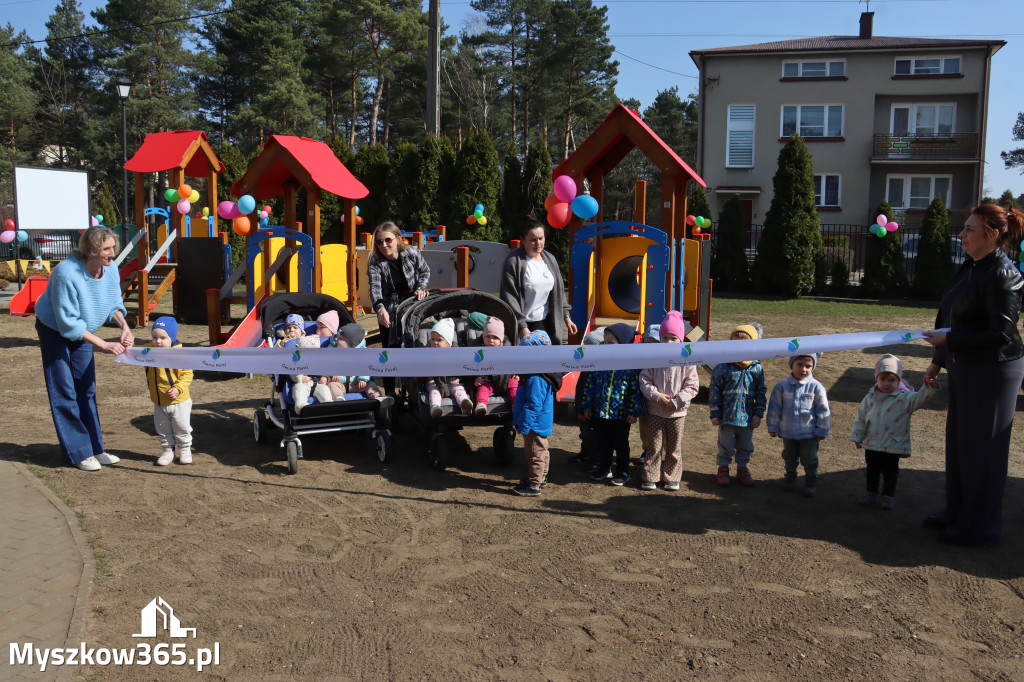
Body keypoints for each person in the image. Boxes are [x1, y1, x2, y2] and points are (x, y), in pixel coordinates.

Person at [921, 204, 1024, 547]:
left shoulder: (1004, 275)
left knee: (984, 451)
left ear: (992, 235)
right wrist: (939, 358)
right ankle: (957, 512)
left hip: (993, 373)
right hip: (965, 366)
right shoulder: (970, 266)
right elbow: (950, 316)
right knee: (960, 445)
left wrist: (948, 341)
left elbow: (1002, 334)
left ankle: (980, 528)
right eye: (963, 228)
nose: (961, 235)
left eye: (969, 230)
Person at [34, 226, 134, 471]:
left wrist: (125, 326)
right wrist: (103, 344)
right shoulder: (66, 273)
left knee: (86, 388)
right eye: (106, 249)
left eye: (113, 248)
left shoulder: (110, 271)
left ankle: (95, 448)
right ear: (91, 250)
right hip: (55, 329)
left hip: (82, 329)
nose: (112, 254)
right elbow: (68, 324)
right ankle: (77, 452)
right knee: (64, 390)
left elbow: (114, 303)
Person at [850, 354, 937, 510]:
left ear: (899, 381)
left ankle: (888, 495)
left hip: (893, 445)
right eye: (882, 379)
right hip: (872, 443)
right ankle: (871, 492)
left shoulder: (905, 398)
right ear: (876, 379)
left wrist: (929, 386)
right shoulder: (869, 398)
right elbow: (860, 417)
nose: (886, 383)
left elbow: (920, 399)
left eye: (891, 380)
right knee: (872, 470)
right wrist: (857, 435)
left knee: (891, 472)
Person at [638, 312, 700, 491]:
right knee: (654, 446)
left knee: (674, 447)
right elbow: (644, 380)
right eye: (665, 338)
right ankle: (651, 476)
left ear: (680, 340)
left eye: (673, 338)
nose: (668, 342)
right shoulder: (653, 358)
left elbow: (693, 385)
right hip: (656, 410)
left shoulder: (687, 360)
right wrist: (656, 396)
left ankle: (672, 477)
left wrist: (678, 400)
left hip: (677, 412)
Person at [580, 323, 644, 486]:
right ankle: (603, 468)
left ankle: (622, 472)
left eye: (611, 343)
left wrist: (633, 411)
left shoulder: (631, 366)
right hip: (601, 413)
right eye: (605, 342)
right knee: (603, 443)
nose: (606, 346)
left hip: (621, 415)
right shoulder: (600, 362)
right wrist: (587, 405)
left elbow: (635, 391)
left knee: (621, 445)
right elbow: (590, 385)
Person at [500, 215, 577, 343]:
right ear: (523, 239)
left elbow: (559, 291)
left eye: (541, 238)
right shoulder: (513, 262)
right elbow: (509, 297)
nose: (538, 243)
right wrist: (522, 327)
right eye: (533, 240)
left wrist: (566, 317)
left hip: (548, 321)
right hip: (526, 324)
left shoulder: (550, 259)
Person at [709, 323, 766, 487]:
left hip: (747, 419)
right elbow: (714, 391)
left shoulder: (756, 369)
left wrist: (758, 413)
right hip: (727, 418)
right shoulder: (723, 368)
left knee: (745, 445)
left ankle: (742, 469)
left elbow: (761, 392)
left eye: (745, 345)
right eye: (736, 344)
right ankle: (723, 469)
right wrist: (715, 412)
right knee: (725, 445)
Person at [766, 353, 830, 498]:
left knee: (810, 458)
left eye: (808, 366)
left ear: (813, 367)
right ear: (792, 365)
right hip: (788, 432)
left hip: (810, 433)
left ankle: (810, 482)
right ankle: (790, 478)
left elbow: (823, 410)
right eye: (799, 365)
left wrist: (822, 429)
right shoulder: (781, 386)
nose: (803, 369)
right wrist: (772, 426)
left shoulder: (816, 387)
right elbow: (775, 408)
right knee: (789, 457)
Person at [511, 330, 562, 496]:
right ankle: (541, 478)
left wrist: (524, 425)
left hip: (534, 423)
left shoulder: (536, 378)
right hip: (539, 421)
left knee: (535, 454)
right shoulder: (541, 373)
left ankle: (533, 485)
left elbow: (534, 404)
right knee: (542, 451)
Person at [367, 221, 429, 345]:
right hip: (390, 302)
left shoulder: (411, 252)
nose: (384, 245)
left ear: (398, 239)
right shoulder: (375, 261)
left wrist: (420, 288)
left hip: (412, 299)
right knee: (389, 339)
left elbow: (425, 271)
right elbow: (375, 288)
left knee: (413, 337)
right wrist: (380, 309)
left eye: (388, 240)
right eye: (379, 242)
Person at [146, 317, 195, 466]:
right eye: (154, 337)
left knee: (181, 426)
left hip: (179, 401)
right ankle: (167, 451)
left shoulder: (179, 354)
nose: (158, 341)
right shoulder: (148, 351)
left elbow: (187, 374)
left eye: (163, 338)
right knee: (162, 428)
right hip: (159, 401)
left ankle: (185, 449)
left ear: (171, 338)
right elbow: (133, 351)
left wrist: (178, 388)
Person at [424, 318, 473, 417]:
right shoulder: (428, 354)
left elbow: (461, 368)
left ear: (448, 344)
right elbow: (425, 368)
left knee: (459, 389)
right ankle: (435, 408)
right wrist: (429, 377)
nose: (435, 342)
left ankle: (464, 403)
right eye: (432, 339)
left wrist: (458, 378)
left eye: (439, 340)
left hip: (451, 380)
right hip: (434, 381)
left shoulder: (455, 354)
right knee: (434, 392)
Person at [470, 316, 515, 415]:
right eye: (487, 337)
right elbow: (473, 367)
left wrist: (515, 373)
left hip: (505, 380)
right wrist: (477, 377)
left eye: (495, 337)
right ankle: (481, 404)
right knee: (482, 388)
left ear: (501, 340)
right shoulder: (479, 350)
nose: (491, 340)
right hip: (487, 380)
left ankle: (515, 404)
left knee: (514, 384)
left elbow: (513, 363)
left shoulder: (507, 349)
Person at [329, 322, 383, 401]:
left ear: (350, 344)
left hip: (356, 384)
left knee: (371, 384)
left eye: (340, 338)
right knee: (331, 385)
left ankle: (378, 398)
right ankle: (339, 398)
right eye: (337, 336)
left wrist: (363, 378)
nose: (336, 339)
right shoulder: (332, 350)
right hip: (340, 384)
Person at [290, 335, 332, 412]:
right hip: (303, 384)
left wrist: (325, 378)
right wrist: (300, 378)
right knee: (298, 389)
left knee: (325, 389)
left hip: (318, 384)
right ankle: (300, 405)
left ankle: (328, 404)